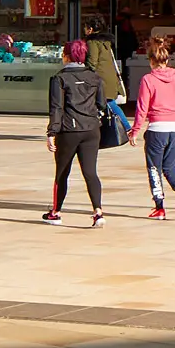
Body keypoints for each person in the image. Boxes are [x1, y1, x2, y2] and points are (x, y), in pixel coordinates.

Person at [44, 37, 107, 227]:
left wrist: (51, 132)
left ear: (67, 56)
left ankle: (56, 212)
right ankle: (98, 212)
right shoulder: (95, 77)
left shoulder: (59, 78)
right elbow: (101, 104)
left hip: (69, 130)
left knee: (62, 172)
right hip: (91, 129)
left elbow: (56, 108)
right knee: (90, 172)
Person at [133, 35, 175, 218]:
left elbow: (142, 108)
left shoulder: (148, 79)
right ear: (167, 59)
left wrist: (135, 131)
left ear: (151, 61)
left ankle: (159, 207)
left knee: (154, 168)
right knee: (169, 167)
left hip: (157, 128)